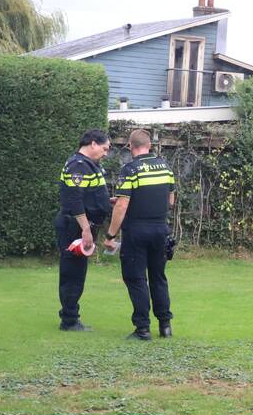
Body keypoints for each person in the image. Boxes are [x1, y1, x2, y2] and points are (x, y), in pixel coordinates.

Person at [104, 129, 177, 341]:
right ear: (149, 146)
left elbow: (122, 205)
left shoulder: (130, 170)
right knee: (158, 278)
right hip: (160, 230)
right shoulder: (165, 167)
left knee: (136, 278)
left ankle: (142, 328)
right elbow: (170, 201)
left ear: (130, 146)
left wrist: (110, 235)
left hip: (136, 231)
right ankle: (165, 326)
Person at [55, 129, 112, 331]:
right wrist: (86, 230)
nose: (106, 153)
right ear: (93, 143)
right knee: (72, 274)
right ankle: (69, 320)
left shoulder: (89, 165)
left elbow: (90, 196)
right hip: (74, 227)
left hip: (80, 226)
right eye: (105, 148)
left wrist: (106, 201)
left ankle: (70, 315)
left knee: (78, 273)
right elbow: (74, 200)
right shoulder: (78, 165)